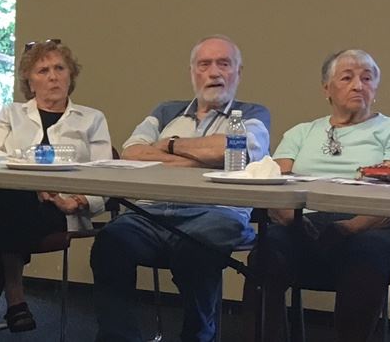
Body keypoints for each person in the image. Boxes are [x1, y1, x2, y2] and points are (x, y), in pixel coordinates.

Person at [93, 35, 270, 342]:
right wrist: (208, 160)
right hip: (150, 211)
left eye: (224, 64)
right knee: (110, 242)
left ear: (238, 73)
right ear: (192, 72)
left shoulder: (252, 113)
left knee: (195, 248)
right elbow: (132, 152)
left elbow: (239, 154)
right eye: (205, 64)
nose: (214, 72)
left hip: (217, 214)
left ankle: (198, 336)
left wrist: (170, 146)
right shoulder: (166, 111)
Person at [243, 49, 390, 342]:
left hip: (370, 224)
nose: (359, 85)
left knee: (367, 254)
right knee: (265, 256)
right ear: (327, 89)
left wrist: (348, 228)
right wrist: (292, 222)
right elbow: (273, 183)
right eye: (347, 78)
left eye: (367, 78)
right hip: (303, 222)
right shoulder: (301, 133)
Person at [0, 40, 111, 341]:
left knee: (0, 217)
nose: (53, 76)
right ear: (29, 81)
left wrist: (80, 201)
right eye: (43, 70)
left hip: (58, 208)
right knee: (10, 197)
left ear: (71, 76)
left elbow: (104, 172)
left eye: (60, 68)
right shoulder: (10, 113)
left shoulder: (92, 119)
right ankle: (14, 294)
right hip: (3, 193)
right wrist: (34, 185)